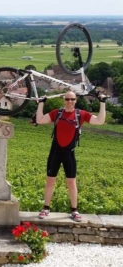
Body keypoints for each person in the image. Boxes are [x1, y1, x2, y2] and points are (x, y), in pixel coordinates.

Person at [35, 91, 107, 222]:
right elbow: (39, 120)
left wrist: (102, 102)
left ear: (76, 100)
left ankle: (74, 210)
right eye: (67, 99)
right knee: (50, 181)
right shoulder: (57, 113)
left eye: (72, 99)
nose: (69, 102)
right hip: (55, 152)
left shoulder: (81, 114)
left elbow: (100, 121)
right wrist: (41, 103)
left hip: (69, 153)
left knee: (71, 182)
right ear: (64, 100)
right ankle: (45, 208)